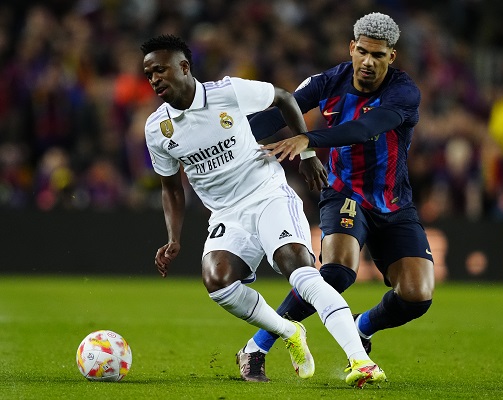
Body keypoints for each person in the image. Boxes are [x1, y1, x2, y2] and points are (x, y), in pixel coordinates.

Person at [140, 34, 386, 387]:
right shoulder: (156, 129)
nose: (154, 79)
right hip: (226, 214)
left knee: (299, 270)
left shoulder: (227, 92)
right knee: (218, 282)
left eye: (160, 70)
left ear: (183, 67)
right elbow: (171, 188)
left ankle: (360, 361)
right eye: (148, 74)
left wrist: (306, 153)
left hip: (267, 193)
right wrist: (173, 238)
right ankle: (288, 330)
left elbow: (285, 98)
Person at [238, 12, 435, 382]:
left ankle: (362, 326)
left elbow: (365, 129)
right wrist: (225, 141)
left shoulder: (403, 92)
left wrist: (307, 141)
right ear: (351, 47)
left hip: (394, 203)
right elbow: (279, 112)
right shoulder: (328, 81)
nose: (368, 61)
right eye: (362, 51)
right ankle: (257, 346)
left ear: (392, 57)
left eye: (378, 55)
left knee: (416, 295)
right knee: (338, 272)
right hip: (345, 193)